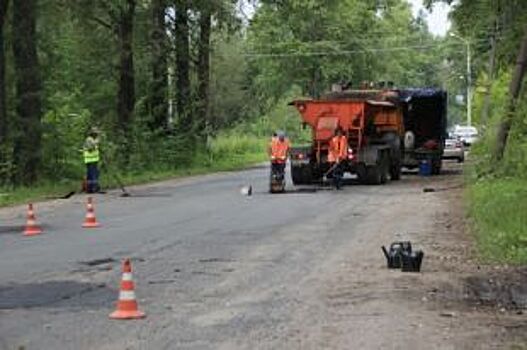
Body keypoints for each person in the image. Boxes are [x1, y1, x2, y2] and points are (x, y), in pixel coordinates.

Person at [83, 127, 101, 193]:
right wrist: (96, 142)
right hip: (90, 160)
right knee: (93, 174)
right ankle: (94, 187)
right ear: (92, 133)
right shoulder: (89, 139)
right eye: (96, 133)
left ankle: (90, 188)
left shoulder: (93, 139)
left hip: (94, 160)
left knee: (93, 174)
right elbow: (90, 148)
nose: (97, 135)